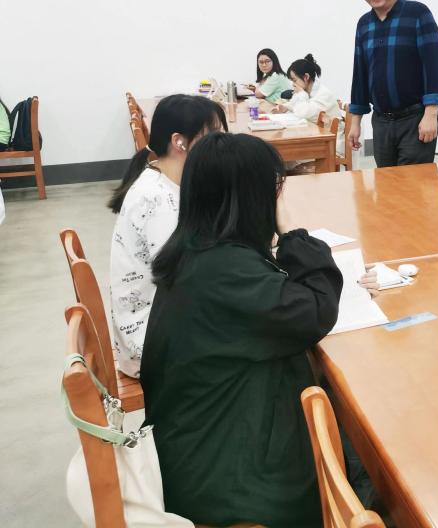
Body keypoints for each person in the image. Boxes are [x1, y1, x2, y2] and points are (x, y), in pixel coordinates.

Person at [142, 132, 344, 527]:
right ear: (251, 198)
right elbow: (316, 310)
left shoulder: (198, 247)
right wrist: (290, 232)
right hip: (224, 474)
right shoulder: (224, 269)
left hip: (194, 443)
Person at [107, 94, 227, 378]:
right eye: (213, 136)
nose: (221, 146)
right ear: (179, 142)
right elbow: (190, 280)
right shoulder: (157, 201)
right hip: (153, 347)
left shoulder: (163, 180)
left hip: (157, 325)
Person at [347, 0, 438, 167]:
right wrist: (355, 122)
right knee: (386, 182)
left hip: (415, 118)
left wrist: (431, 113)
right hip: (381, 121)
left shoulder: (418, 13)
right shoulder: (364, 24)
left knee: (412, 183)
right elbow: (360, 74)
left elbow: (433, 66)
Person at [275, 53, 338, 123]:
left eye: (294, 80)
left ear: (306, 77)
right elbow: (294, 103)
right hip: (314, 127)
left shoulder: (324, 94)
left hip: (329, 130)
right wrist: (285, 107)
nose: (293, 84)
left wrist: (301, 94)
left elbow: (303, 113)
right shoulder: (305, 90)